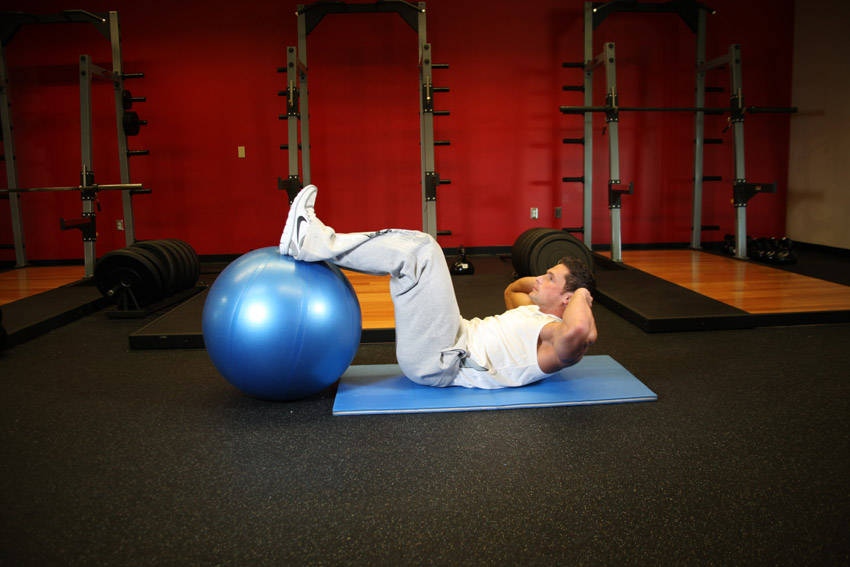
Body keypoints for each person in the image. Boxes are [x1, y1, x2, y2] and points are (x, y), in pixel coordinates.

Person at [280, 185, 597, 389]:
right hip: (447, 339)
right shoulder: (532, 313)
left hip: (442, 360)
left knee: (421, 251)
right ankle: (312, 241)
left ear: (569, 298)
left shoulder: (554, 341)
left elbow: (579, 332)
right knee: (414, 260)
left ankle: (311, 241)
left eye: (550, 278)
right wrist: (545, 283)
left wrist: (583, 292)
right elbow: (513, 290)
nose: (539, 279)